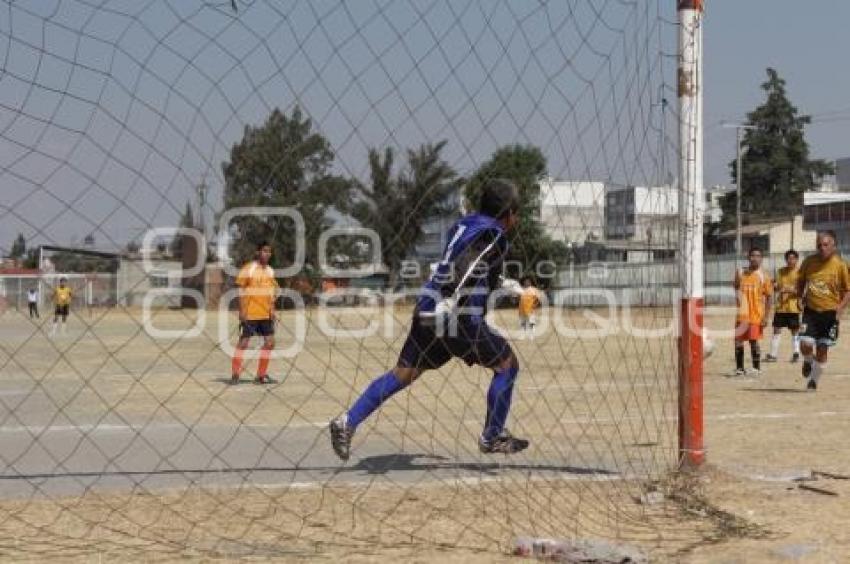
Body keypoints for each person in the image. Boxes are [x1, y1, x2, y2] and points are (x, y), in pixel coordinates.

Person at [330, 179, 528, 460]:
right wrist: (452, 298)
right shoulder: (494, 234)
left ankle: (346, 422)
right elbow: (469, 265)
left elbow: (468, 263)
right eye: (516, 214)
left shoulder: (465, 224)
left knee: (403, 373)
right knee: (507, 365)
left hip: (427, 308)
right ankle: (492, 435)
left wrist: (505, 284)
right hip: (456, 316)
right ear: (507, 214)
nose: (516, 220)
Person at [796, 231, 850, 390]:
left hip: (830, 314)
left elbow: (848, 290)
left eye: (826, 245)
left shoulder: (841, 265)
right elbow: (801, 281)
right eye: (819, 245)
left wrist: (840, 308)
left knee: (822, 349)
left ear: (833, 245)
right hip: (811, 312)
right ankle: (807, 360)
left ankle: (813, 381)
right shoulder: (808, 262)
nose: (822, 248)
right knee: (805, 344)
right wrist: (800, 297)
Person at [231, 241, 279, 385]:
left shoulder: (270, 270)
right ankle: (235, 374)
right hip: (251, 313)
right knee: (243, 343)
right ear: (258, 252)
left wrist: (273, 309)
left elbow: (273, 292)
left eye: (269, 251)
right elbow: (240, 290)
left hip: (265, 314)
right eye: (264, 251)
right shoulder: (249, 268)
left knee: (270, 343)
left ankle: (260, 376)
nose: (267, 254)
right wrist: (242, 310)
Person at [733, 247, 772, 376]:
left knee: (753, 341)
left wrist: (766, 317)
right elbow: (736, 287)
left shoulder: (764, 276)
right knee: (738, 341)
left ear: (761, 259)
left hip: (756, 315)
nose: (755, 258)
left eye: (758, 255)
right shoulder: (740, 273)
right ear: (748, 257)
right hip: (741, 315)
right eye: (752, 255)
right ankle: (739, 368)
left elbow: (769, 297)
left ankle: (756, 368)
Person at [765, 250, 801, 363]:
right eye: (789, 258)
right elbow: (776, 287)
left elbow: (802, 290)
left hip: (793, 307)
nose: (791, 260)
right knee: (776, 329)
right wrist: (775, 285)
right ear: (786, 260)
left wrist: (791, 290)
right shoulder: (780, 271)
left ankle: (796, 353)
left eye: (793, 258)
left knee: (795, 331)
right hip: (781, 306)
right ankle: (773, 355)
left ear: (796, 259)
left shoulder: (800, 272)